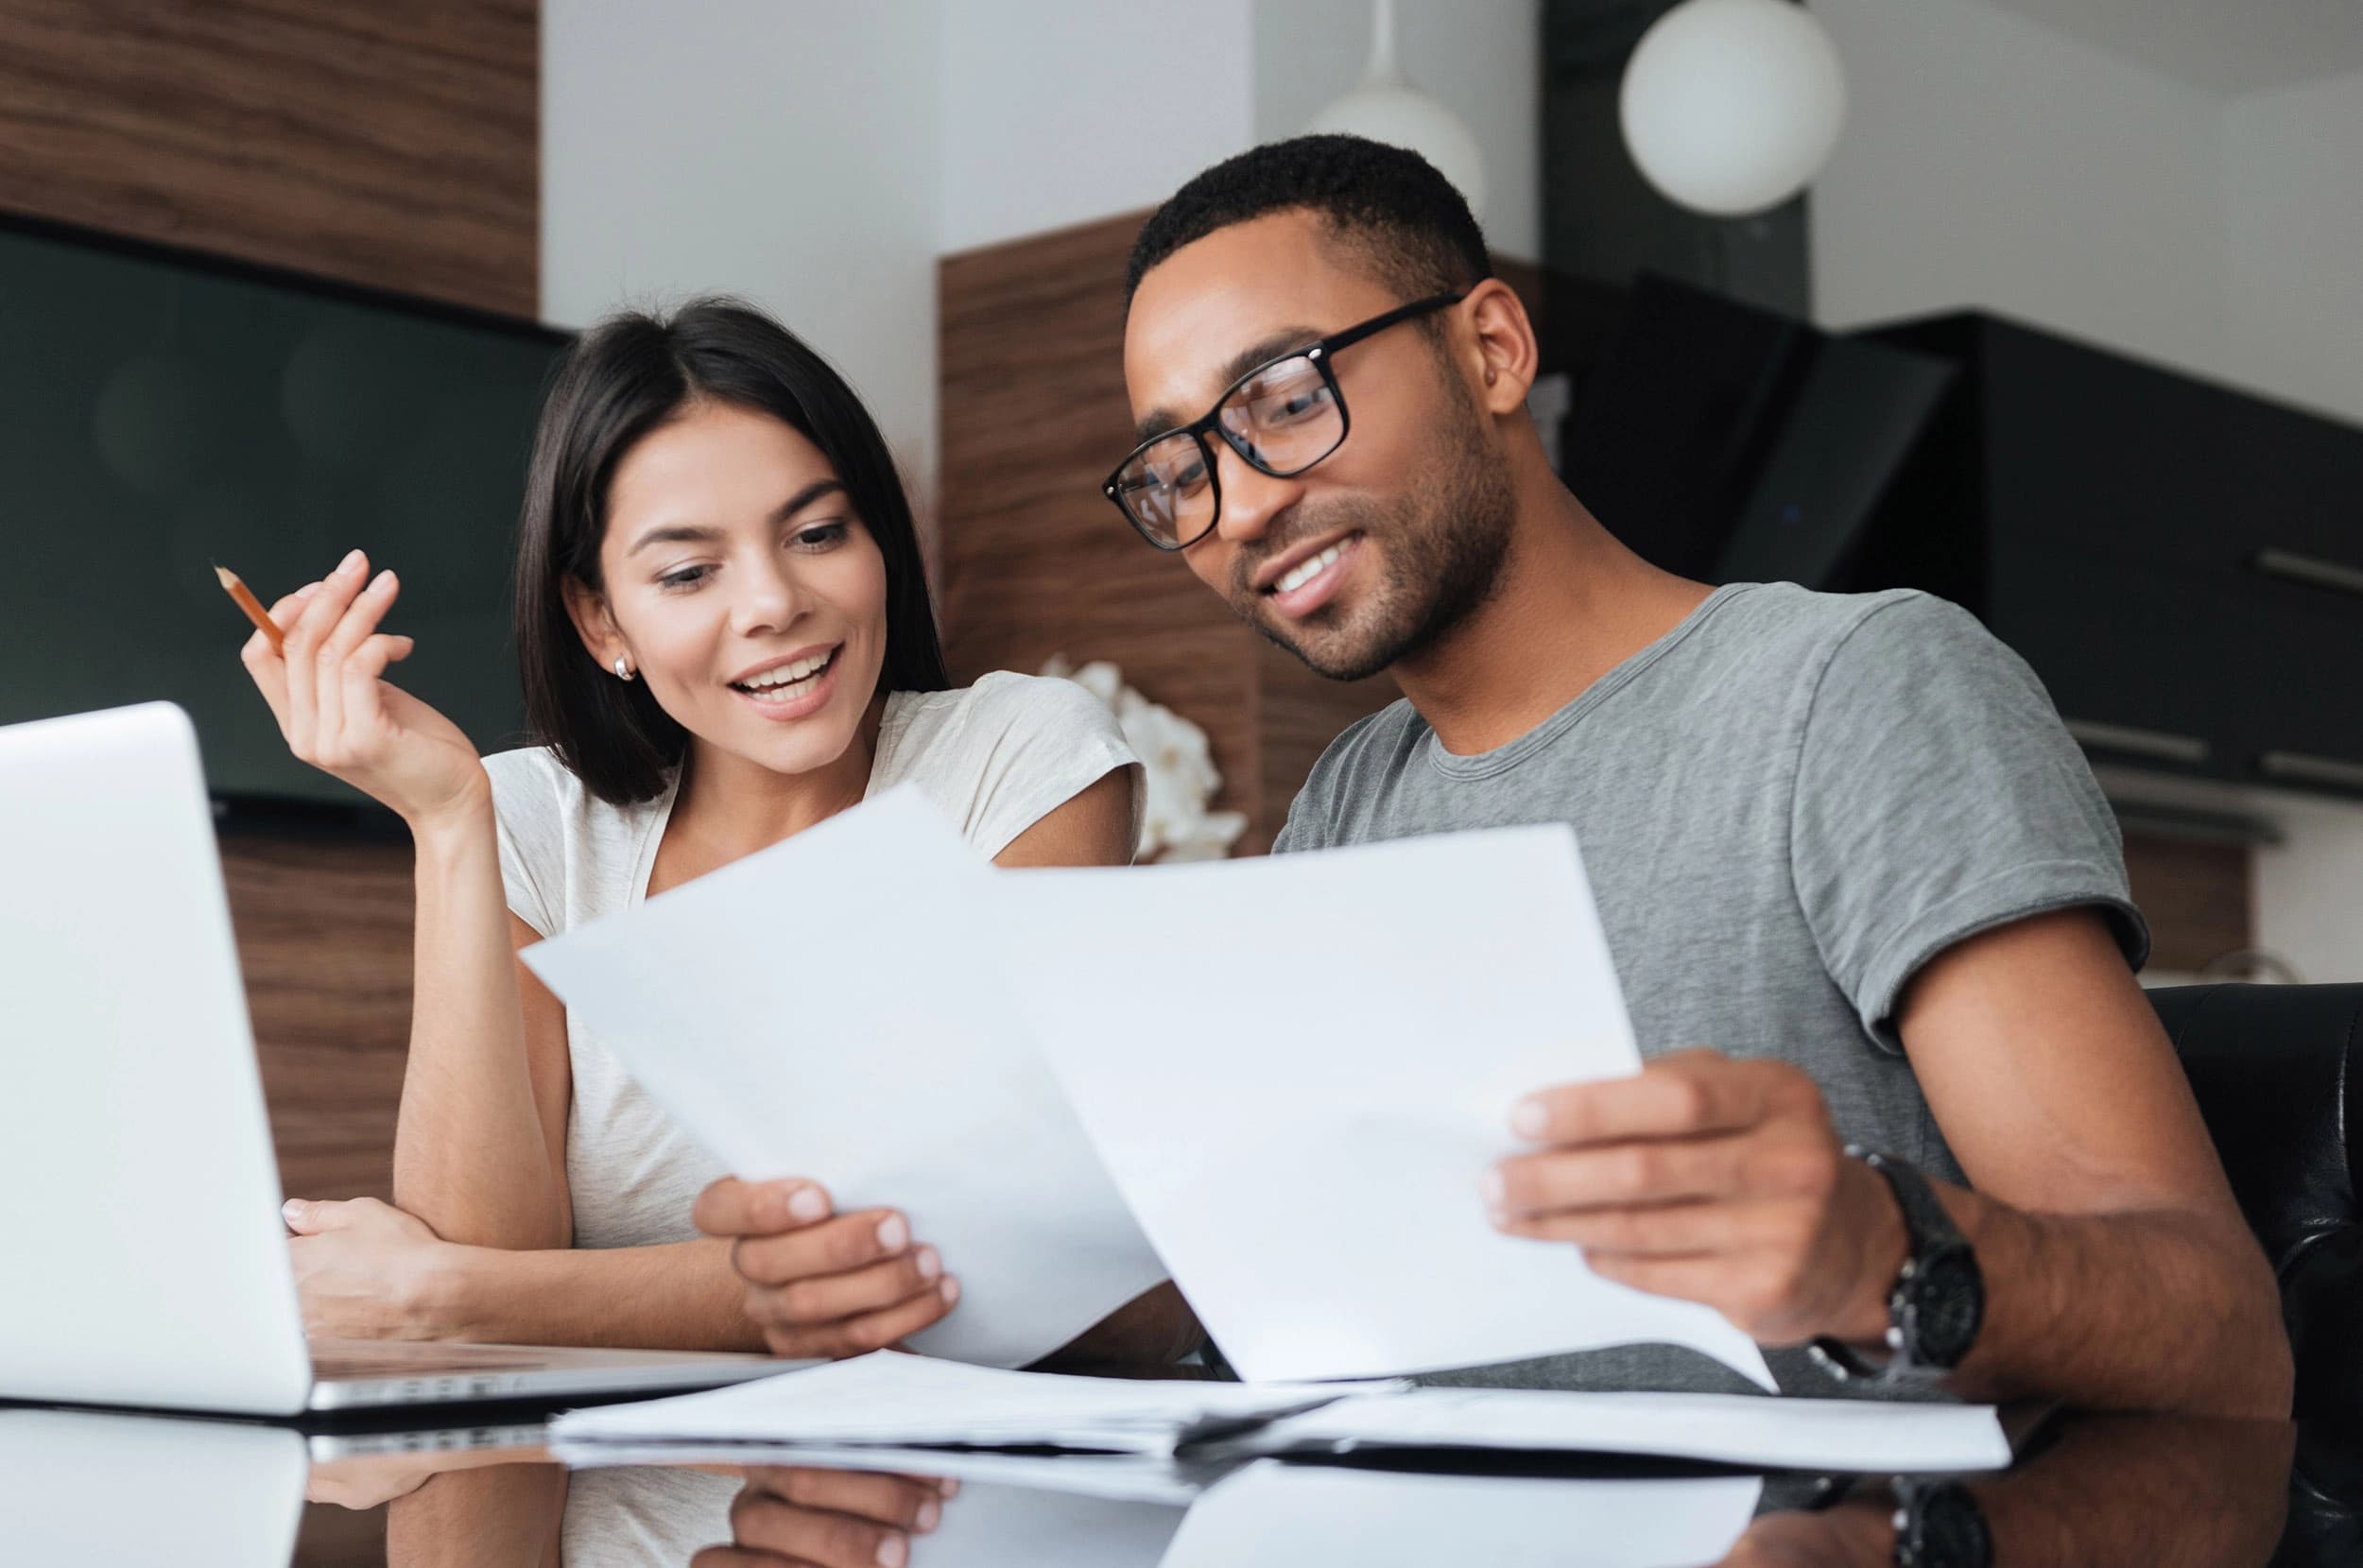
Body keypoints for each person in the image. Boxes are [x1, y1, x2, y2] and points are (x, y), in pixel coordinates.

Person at [1081, 133, 2285, 1415]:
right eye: (1179, 469)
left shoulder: (1854, 689)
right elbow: (1291, 1288)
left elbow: (2211, 1325)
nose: (1242, 508)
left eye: (1283, 396)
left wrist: (1878, 1249)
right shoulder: (1347, 802)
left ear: (1491, 350)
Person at [239, 298, 1189, 1559]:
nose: (775, 603)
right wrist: (448, 824)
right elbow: (486, 1313)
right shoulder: (529, 818)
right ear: (601, 621)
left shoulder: (1022, 761)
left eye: (817, 532)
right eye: (690, 571)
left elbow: (962, 1262)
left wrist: (439, 1296)